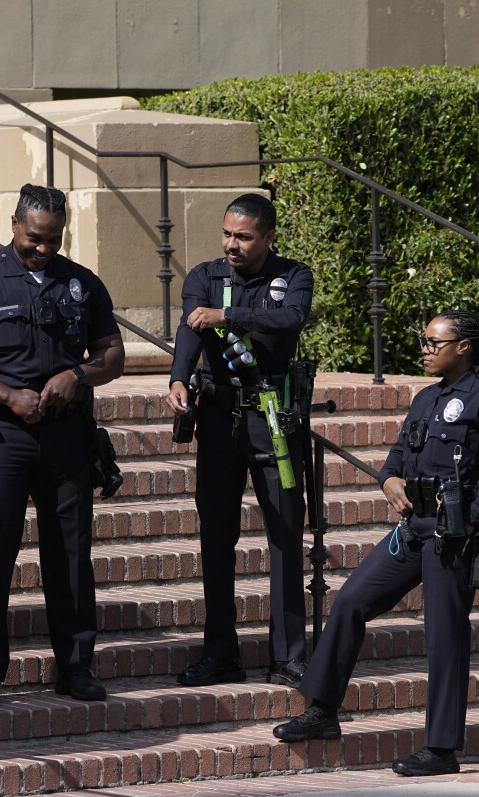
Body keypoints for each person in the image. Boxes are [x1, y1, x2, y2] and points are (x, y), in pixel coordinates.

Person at [273, 311, 479, 776]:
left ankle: (442, 750)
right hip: (412, 528)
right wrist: (388, 479)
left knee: (445, 636)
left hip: (453, 534)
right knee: (350, 601)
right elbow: (399, 454)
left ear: (463, 346)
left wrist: (473, 519)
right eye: (423, 341)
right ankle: (323, 710)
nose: (425, 349)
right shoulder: (427, 398)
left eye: (433, 342)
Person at [0, 183, 125, 708]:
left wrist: (76, 375)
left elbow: (112, 354)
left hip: (65, 435)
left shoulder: (81, 284)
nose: (44, 248)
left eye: (53, 240)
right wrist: (8, 395)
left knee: (71, 556)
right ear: (14, 223)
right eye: (35, 238)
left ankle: (76, 667)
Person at [165, 193, 315, 688]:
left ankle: (288, 655)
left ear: (269, 238)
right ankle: (220, 651)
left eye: (243, 237)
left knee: (285, 534)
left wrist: (227, 317)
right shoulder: (205, 276)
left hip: (273, 419)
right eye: (227, 233)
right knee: (216, 537)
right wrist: (179, 376)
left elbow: (290, 320)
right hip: (219, 420)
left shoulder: (294, 275)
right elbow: (190, 329)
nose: (231, 244)